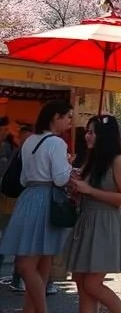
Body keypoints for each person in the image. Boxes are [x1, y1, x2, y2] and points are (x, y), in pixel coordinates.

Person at [0, 100, 74, 313]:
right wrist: (69, 167)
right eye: (68, 116)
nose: (70, 121)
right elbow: (60, 179)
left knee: (38, 264)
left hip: (29, 197)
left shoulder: (29, 141)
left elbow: (22, 178)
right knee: (31, 265)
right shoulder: (57, 143)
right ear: (56, 117)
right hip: (47, 199)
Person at [65, 114, 121, 313]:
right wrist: (76, 188)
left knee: (92, 284)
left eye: (92, 132)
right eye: (87, 132)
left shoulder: (119, 161)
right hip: (86, 220)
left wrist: (89, 190)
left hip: (106, 223)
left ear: (104, 135)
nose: (87, 136)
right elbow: (84, 192)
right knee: (81, 281)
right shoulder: (91, 160)